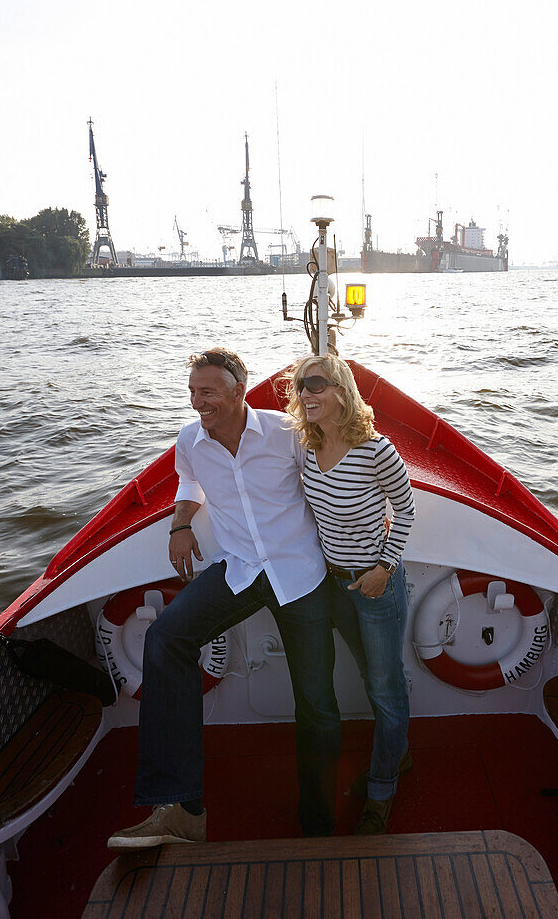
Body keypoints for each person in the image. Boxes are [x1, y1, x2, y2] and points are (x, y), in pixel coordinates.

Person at [108, 348, 341, 849]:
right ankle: (183, 809)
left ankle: (319, 824)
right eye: (193, 392)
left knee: (317, 703)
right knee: (166, 638)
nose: (198, 402)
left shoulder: (285, 432)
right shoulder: (191, 440)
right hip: (238, 569)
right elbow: (189, 479)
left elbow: (330, 472)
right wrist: (182, 522)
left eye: (208, 391)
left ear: (239, 390)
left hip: (299, 573)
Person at [286, 353, 416, 835]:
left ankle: (382, 790)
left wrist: (385, 567)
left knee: (384, 689)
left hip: (375, 584)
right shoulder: (305, 445)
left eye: (316, 385)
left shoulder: (375, 449)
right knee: (370, 675)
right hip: (332, 584)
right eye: (300, 387)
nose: (306, 394)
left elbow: (406, 510)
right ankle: (397, 755)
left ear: (341, 390)